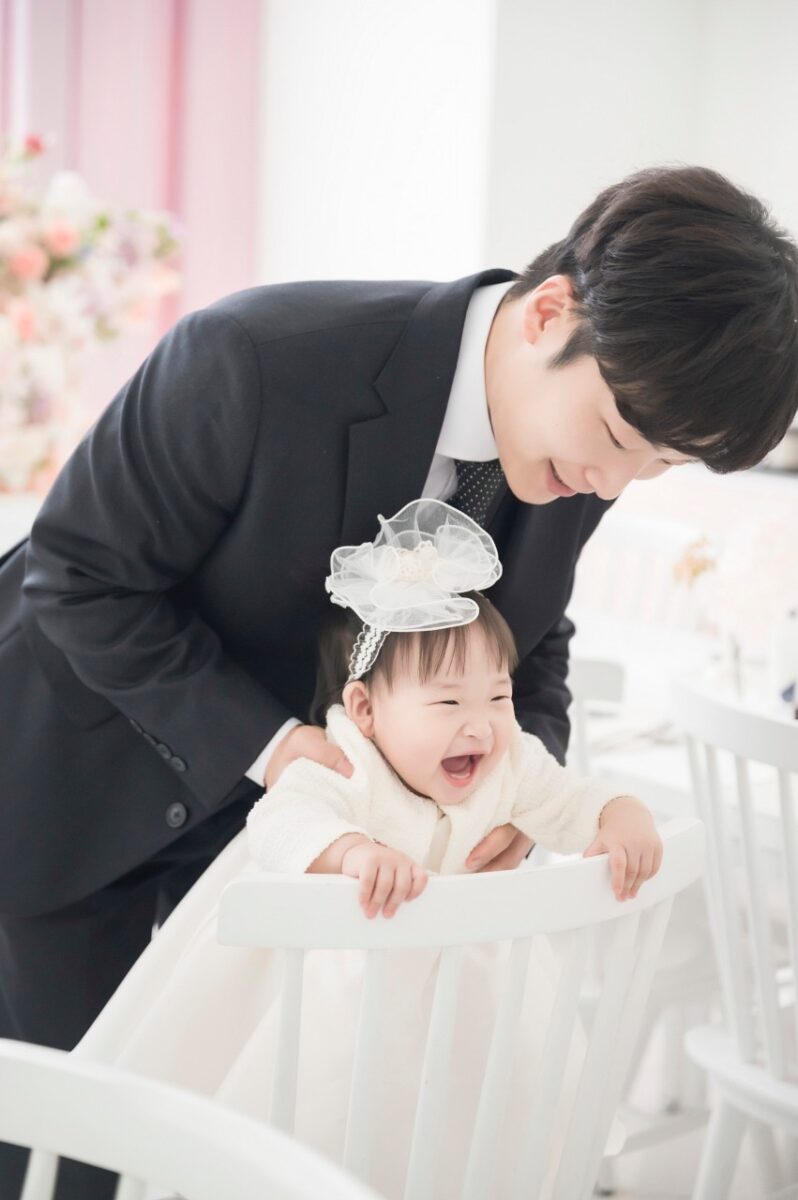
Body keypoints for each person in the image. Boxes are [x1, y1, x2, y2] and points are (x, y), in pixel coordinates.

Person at [0, 164, 796, 1198]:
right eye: (614, 440)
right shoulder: (253, 357)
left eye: (656, 466)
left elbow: (531, 638)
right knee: (67, 1156)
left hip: (281, 861)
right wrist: (275, 750)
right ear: (549, 314)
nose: (611, 484)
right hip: (71, 787)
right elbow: (80, 576)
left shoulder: (582, 448)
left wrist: (514, 775)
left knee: (227, 1149)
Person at [74, 500, 659, 1199]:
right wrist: (351, 852)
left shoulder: (510, 764)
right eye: (448, 704)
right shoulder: (346, 763)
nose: (481, 726)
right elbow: (279, 822)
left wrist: (620, 816)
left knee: (466, 1144)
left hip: (466, 1012)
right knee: (319, 1132)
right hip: (331, 1006)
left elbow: (571, 799)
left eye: (499, 697)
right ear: (366, 710)